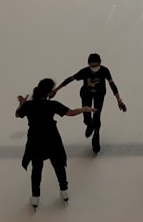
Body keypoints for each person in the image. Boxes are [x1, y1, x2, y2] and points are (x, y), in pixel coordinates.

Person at [16, 78, 96, 209]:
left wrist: (22, 103)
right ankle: (64, 192)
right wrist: (85, 109)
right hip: (52, 138)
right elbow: (70, 112)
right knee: (59, 165)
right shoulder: (52, 105)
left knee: (37, 168)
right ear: (48, 93)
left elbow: (17, 114)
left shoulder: (29, 105)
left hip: (35, 139)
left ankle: (35, 197)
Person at [51, 53, 126, 155]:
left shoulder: (104, 70)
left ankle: (96, 134)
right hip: (86, 95)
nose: (94, 68)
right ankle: (89, 124)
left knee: (97, 115)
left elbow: (112, 84)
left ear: (100, 63)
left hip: (99, 95)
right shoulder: (84, 72)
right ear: (88, 64)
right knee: (86, 117)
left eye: (96, 65)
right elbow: (70, 79)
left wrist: (119, 100)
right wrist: (56, 90)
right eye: (92, 66)